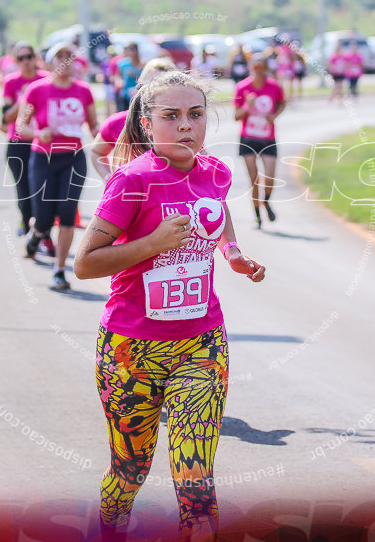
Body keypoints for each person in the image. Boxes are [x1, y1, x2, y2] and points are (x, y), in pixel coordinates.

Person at [73, 70, 266, 541]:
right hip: (130, 350)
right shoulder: (130, 182)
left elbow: (220, 222)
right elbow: (85, 264)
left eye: (195, 115)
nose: (186, 126)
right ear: (146, 122)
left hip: (201, 343)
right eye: (172, 116)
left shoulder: (216, 173)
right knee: (129, 472)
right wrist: (153, 243)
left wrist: (235, 256)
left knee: (195, 480)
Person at [17, 43, 99, 291]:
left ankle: (60, 269)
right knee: (43, 217)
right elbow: (22, 126)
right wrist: (39, 133)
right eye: (59, 56)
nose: (64, 60)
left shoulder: (84, 91)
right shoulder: (37, 90)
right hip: (43, 158)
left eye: (69, 56)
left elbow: (94, 126)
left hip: (73, 159)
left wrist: (108, 135)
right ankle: (37, 234)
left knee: (66, 214)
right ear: (50, 62)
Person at [89, 57, 176, 180]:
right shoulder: (119, 122)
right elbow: (97, 152)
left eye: (166, 87)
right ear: (140, 86)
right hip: (129, 193)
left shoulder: (183, 125)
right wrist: (108, 177)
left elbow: (200, 160)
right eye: (152, 86)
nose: (158, 94)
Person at [2, 41, 50, 238]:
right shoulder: (11, 82)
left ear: (35, 58)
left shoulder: (46, 79)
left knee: (43, 190)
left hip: (43, 141)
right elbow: (6, 118)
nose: (26, 62)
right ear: (15, 61)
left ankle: (41, 229)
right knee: (23, 189)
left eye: (29, 57)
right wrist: (25, 98)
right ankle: (27, 221)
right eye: (21, 58)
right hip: (18, 142)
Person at [234, 54, 287, 230]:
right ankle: (258, 217)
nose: (258, 71)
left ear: (265, 69)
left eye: (261, 68)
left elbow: (282, 102)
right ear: (250, 68)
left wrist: (275, 115)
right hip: (248, 138)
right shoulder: (242, 87)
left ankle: (266, 201)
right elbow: (236, 116)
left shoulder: (274, 86)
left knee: (270, 176)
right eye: (255, 68)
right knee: (254, 179)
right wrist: (248, 105)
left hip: (267, 137)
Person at [115, 42, 144, 112]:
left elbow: (144, 78)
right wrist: (118, 82)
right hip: (125, 94)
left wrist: (135, 76)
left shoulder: (142, 64)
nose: (128, 52)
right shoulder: (122, 64)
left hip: (139, 94)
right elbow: (117, 76)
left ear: (136, 51)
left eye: (131, 49)